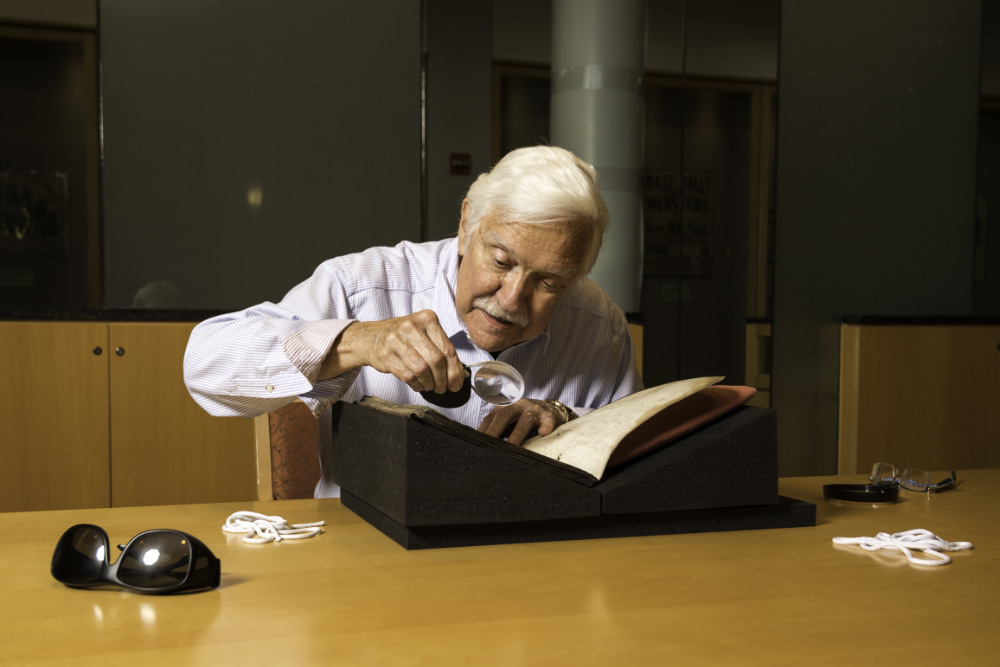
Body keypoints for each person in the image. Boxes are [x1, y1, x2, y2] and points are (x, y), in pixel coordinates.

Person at [184, 145, 643, 497]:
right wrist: (357, 342)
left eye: (549, 283)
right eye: (501, 261)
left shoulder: (598, 323)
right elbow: (204, 365)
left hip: (530, 564)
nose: (512, 298)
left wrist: (566, 418)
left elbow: (639, 454)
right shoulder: (360, 287)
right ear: (467, 224)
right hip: (369, 564)